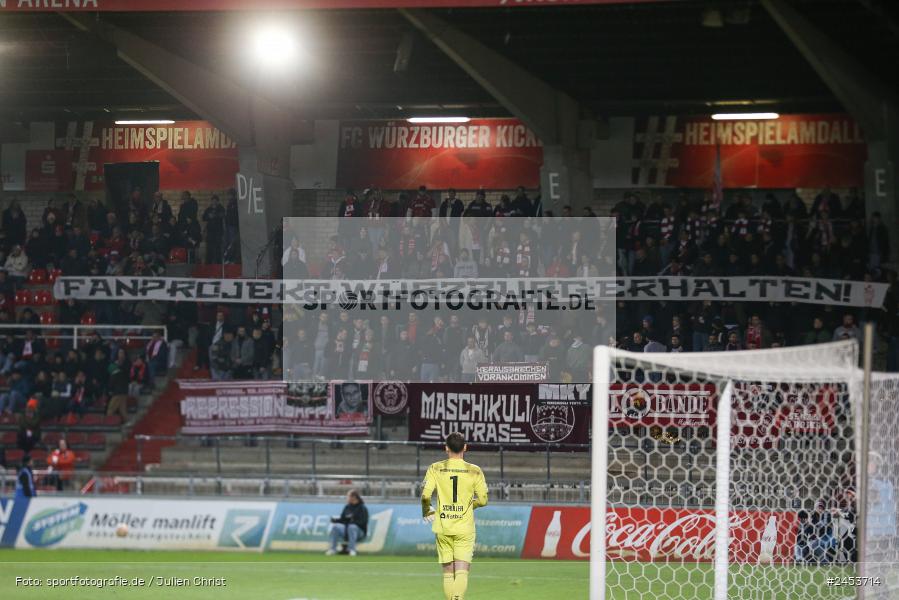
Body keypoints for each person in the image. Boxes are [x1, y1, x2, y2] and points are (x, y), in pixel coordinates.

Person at [420, 432, 488, 600]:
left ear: (446, 448)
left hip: (443, 527)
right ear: (465, 447)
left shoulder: (435, 468)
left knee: (448, 573)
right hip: (464, 528)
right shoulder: (475, 471)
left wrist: (426, 510)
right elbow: (483, 500)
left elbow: (425, 496)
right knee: (462, 571)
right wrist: (469, 506)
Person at [326, 490, 369, 556]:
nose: (347, 498)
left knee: (352, 526)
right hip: (347, 530)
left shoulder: (362, 508)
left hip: (359, 532)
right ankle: (332, 549)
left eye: (348, 496)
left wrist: (352, 522)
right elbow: (343, 519)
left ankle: (352, 550)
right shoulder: (347, 507)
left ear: (354, 497)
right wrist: (336, 520)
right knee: (335, 527)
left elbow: (363, 522)